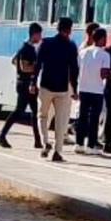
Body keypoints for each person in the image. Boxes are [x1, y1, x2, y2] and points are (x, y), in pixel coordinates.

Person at [34, 17, 78, 162]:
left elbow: (37, 65)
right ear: (69, 30)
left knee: (42, 116)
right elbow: (74, 69)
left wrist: (33, 82)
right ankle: (57, 152)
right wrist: (75, 89)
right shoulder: (71, 46)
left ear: (57, 28)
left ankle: (45, 142)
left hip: (46, 86)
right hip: (62, 88)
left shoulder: (46, 43)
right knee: (60, 121)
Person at [0, 22, 44, 149]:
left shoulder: (28, 48)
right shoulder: (26, 48)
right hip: (25, 84)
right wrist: (37, 67)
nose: (40, 37)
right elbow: (24, 67)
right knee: (19, 111)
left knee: (35, 111)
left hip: (28, 83)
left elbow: (13, 60)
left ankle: (37, 140)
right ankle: (1, 135)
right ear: (34, 34)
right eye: (39, 35)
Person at [74, 27, 111, 154]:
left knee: (82, 117)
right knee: (94, 119)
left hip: (83, 88)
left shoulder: (83, 52)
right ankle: (90, 145)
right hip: (97, 90)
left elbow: (77, 69)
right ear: (102, 39)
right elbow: (103, 74)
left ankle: (79, 144)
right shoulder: (105, 55)